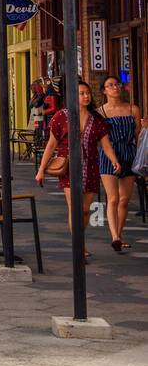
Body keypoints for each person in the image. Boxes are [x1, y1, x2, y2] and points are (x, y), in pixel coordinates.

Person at [37, 80, 117, 261]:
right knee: (75, 208)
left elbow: (106, 145)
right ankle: (79, 246)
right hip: (69, 168)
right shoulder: (61, 117)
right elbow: (51, 145)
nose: (86, 96)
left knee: (86, 210)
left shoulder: (97, 119)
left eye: (87, 93)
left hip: (91, 167)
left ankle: (79, 241)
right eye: (81, 93)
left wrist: (114, 161)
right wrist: (41, 169)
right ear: (73, 96)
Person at [96, 75, 142, 253]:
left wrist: (140, 158)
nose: (115, 87)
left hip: (129, 154)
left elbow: (138, 135)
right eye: (110, 85)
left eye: (117, 84)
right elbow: (99, 138)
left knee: (124, 199)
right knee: (113, 198)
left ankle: (120, 235)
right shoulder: (100, 112)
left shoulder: (133, 109)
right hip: (109, 154)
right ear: (104, 90)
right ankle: (114, 236)